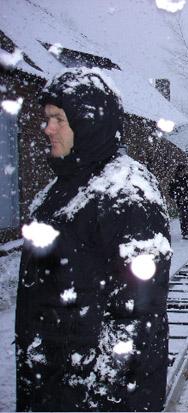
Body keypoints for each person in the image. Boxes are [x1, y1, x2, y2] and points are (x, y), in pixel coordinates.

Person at [15, 68, 172, 411]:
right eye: (46, 118)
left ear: (87, 121)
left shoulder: (126, 193)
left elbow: (139, 319)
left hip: (89, 396)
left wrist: (104, 393)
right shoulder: (55, 193)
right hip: (49, 382)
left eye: (58, 118)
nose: (47, 128)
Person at [169, 166, 188, 239]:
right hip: (180, 202)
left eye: (183, 171)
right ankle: (184, 232)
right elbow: (170, 192)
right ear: (178, 172)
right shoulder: (175, 180)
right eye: (181, 171)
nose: (182, 173)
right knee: (182, 217)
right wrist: (177, 196)